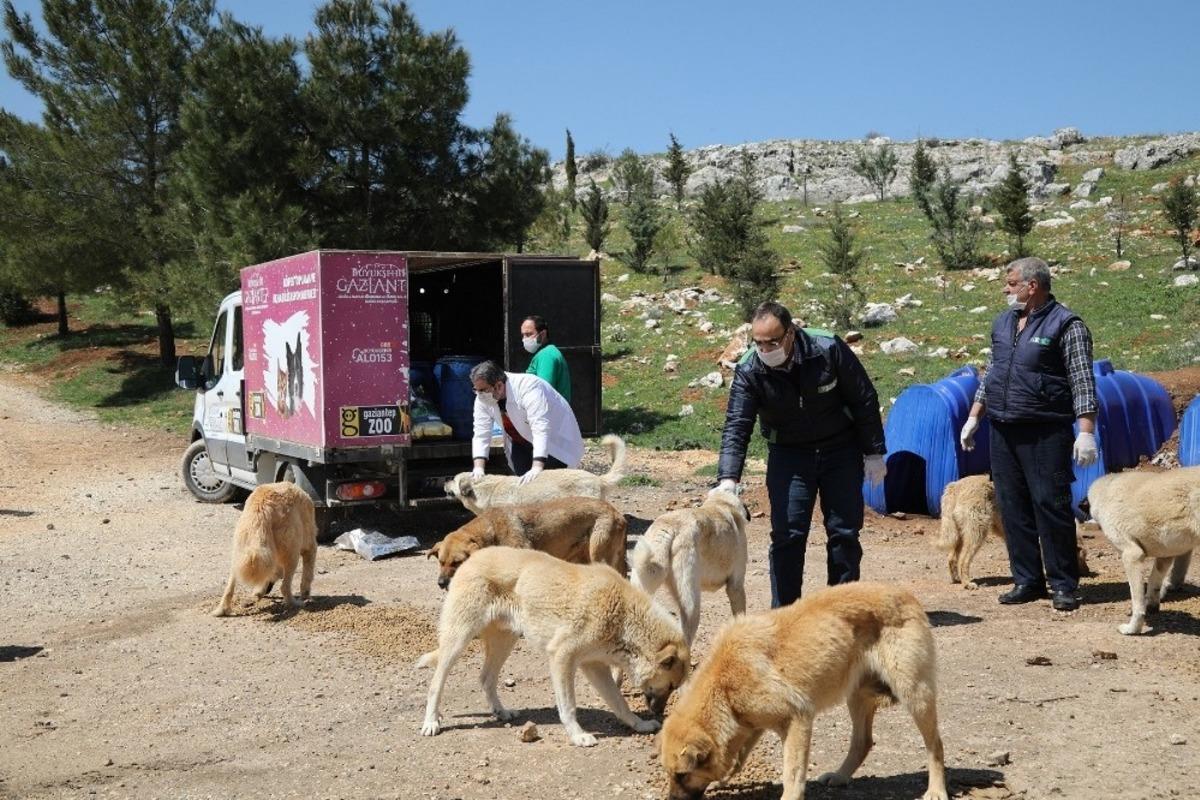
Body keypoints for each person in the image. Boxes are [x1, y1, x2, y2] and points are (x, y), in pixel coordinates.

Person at [716, 301, 887, 608]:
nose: (766, 349)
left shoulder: (827, 348)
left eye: (773, 341)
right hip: (789, 454)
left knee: (844, 533)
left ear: (791, 333)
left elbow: (863, 397)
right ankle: (785, 617)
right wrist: (728, 479)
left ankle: (842, 612)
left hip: (840, 449)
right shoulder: (750, 368)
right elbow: (737, 424)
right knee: (788, 536)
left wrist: (874, 452)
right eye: (759, 343)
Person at [960, 257, 1098, 613]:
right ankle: (1027, 580)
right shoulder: (1003, 323)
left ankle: (1063, 584)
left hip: (1045, 430)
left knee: (1049, 504)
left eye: (1010, 283)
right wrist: (975, 416)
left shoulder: (1067, 325)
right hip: (1003, 429)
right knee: (1012, 505)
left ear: (1032, 286)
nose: (1005, 290)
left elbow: (1083, 380)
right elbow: (992, 373)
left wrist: (1086, 431)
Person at [468, 360, 583, 484]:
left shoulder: (529, 386)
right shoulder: (482, 399)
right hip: (520, 440)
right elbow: (481, 433)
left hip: (552, 440)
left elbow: (540, 428)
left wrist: (537, 467)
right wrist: (478, 468)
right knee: (523, 484)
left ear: (499, 386)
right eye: (476, 390)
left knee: (551, 486)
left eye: (483, 390)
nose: (479, 395)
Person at [521, 315, 571, 402]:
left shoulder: (546, 355)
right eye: (523, 335)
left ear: (543, 334)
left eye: (528, 334)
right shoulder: (545, 353)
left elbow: (544, 391)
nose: (524, 339)